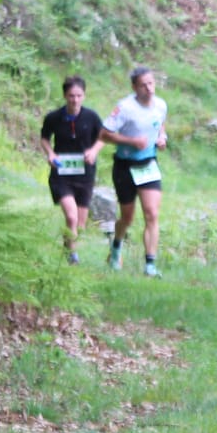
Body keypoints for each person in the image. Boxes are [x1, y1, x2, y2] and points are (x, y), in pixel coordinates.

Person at [103, 64, 169, 276]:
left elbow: (160, 124)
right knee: (127, 217)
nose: (149, 89)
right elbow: (104, 134)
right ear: (134, 87)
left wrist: (162, 137)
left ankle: (150, 266)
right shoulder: (125, 108)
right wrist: (131, 141)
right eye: (143, 85)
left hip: (148, 164)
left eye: (151, 83)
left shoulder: (161, 105)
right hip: (124, 166)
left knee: (152, 213)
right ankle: (116, 247)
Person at [38, 76, 105, 264]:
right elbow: (44, 138)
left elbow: (103, 137)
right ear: (64, 96)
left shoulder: (91, 117)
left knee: (80, 225)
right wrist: (50, 153)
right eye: (71, 96)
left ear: (84, 96)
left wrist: (94, 151)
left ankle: (67, 248)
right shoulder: (53, 117)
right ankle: (72, 257)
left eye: (79, 96)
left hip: (85, 175)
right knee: (71, 216)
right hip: (62, 174)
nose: (75, 100)